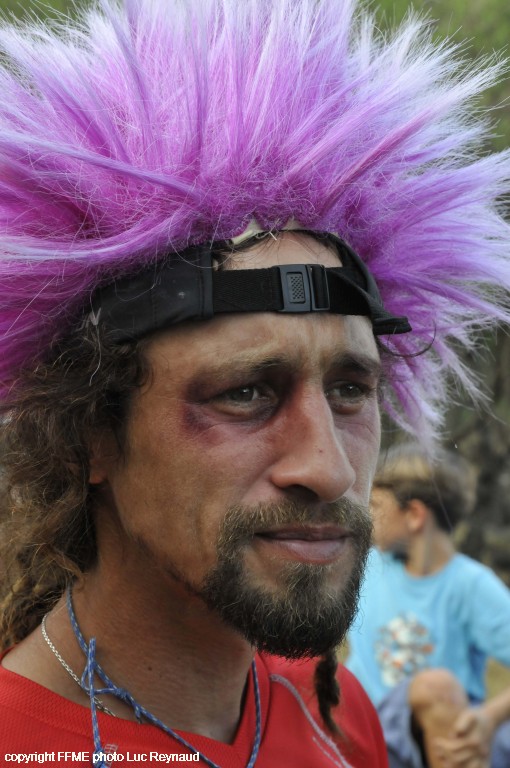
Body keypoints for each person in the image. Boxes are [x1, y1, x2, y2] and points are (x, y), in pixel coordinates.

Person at [0, 0, 509, 765]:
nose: (329, 469)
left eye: (350, 390)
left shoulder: (338, 715)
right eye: (245, 393)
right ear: (89, 434)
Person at [347, 443, 510, 768]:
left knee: (437, 688)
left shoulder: (471, 585)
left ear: (415, 515)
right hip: (363, 727)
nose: (367, 515)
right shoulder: (365, 565)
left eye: (375, 504)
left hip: (436, 739)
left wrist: (490, 718)